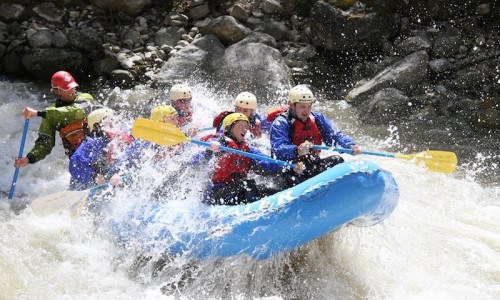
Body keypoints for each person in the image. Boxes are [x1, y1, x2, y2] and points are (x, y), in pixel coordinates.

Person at [270, 85, 363, 188]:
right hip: (291, 167)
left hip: (311, 162)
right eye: (302, 107)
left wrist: (350, 145)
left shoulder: (317, 118)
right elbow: (278, 148)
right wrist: (297, 150)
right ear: (291, 105)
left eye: (309, 106)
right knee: (294, 176)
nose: (306, 111)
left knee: (337, 160)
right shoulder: (280, 123)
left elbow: (335, 134)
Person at [202, 113, 304, 205]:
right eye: (240, 126)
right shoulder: (221, 143)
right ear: (229, 128)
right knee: (248, 183)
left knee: (268, 189)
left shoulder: (247, 149)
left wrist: (290, 166)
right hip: (217, 192)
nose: (244, 129)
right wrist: (211, 147)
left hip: (238, 190)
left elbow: (267, 163)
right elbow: (210, 146)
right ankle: (255, 209)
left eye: (246, 127)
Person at [13, 71, 102, 168]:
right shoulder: (50, 115)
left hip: (100, 147)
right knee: (78, 170)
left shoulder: (85, 98)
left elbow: (74, 112)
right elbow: (45, 143)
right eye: (66, 88)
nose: (71, 91)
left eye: (72, 87)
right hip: (80, 161)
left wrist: (38, 113)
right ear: (57, 91)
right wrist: (29, 158)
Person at [69, 108, 133, 190]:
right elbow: (74, 164)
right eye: (107, 122)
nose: (112, 125)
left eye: (112, 121)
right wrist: (94, 176)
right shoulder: (91, 143)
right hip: (84, 179)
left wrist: (117, 172)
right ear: (96, 126)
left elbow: (130, 155)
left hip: (110, 176)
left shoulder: (120, 137)